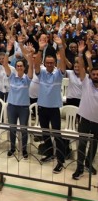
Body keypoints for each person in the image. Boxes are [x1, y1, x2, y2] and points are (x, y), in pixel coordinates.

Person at [34, 33, 67, 174]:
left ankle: (60, 160)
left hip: (54, 108)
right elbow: (35, 64)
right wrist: (40, 49)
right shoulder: (41, 72)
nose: (49, 65)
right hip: (42, 107)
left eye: (51, 63)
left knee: (57, 134)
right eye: (47, 63)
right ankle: (49, 153)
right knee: (45, 132)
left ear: (54, 64)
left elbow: (63, 63)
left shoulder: (58, 74)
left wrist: (60, 46)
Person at [3, 38, 33, 159]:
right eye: (18, 65)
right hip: (12, 106)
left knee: (24, 129)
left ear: (24, 68)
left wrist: (29, 55)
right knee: (12, 128)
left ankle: (24, 149)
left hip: (24, 108)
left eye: (21, 66)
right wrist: (7, 51)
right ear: (15, 67)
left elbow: (31, 65)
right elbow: (5, 64)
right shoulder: (12, 77)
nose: (19, 67)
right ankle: (12, 148)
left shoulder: (27, 78)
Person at [72, 41, 98, 180]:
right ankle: (79, 167)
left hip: (97, 122)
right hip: (84, 119)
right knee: (82, 144)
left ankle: (89, 163)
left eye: (97, 74)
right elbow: (81, 67)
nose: (95, 76)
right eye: (93, 74)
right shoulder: (86, 82)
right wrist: (81, 54)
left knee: (94, 145)